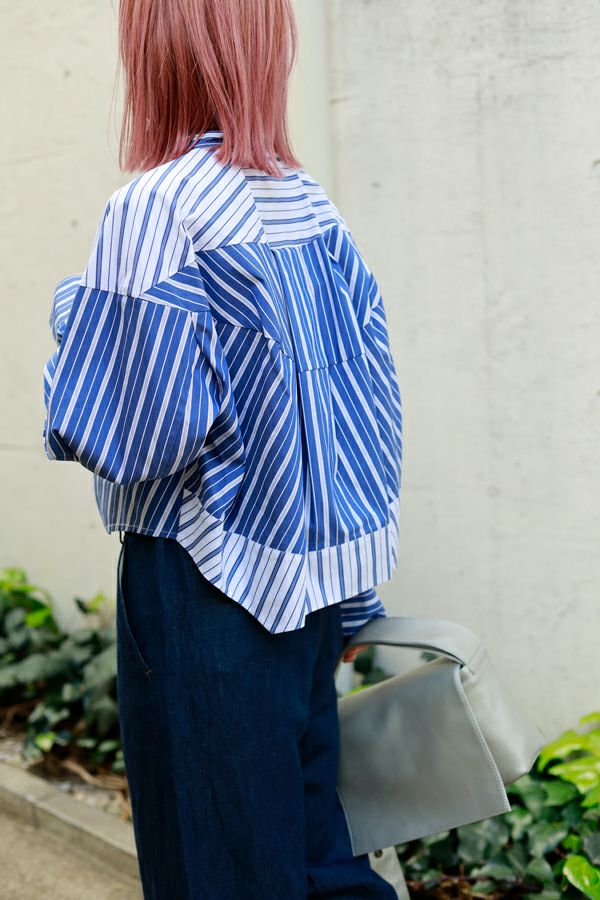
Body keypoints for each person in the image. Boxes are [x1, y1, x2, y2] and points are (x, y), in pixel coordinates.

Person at [42, 1, 403, 897]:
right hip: (307, 590)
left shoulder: (154, 209)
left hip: (203, 585)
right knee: (320, 860)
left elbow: (129, 436)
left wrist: (77, 325)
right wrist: (350, 597)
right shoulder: (309, 205)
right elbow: (365, 410)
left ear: (155, 47)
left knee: (218, 870)